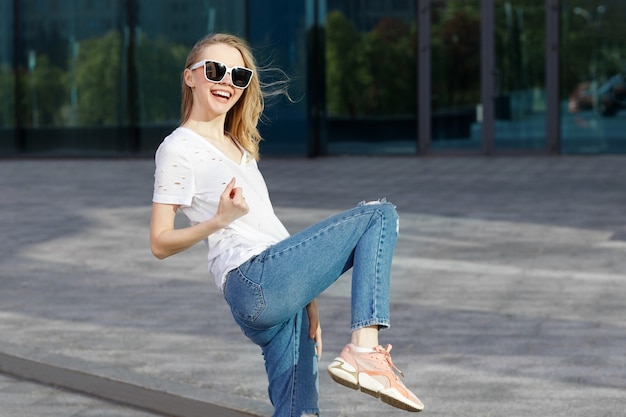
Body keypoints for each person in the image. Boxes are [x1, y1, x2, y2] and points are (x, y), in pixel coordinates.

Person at [150, 33, 424, 417]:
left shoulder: (239, 148)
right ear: (190, 77)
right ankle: (365, 351)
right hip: (253, 279)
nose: (227, 80)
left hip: (275, 286)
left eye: (239, 75)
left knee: (299, 410)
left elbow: (266, 227)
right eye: (215, 70)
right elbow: (160, 242)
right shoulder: (178, 147)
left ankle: (359, 356)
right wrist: (218, 220)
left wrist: (307, 294)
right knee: (379, 216)